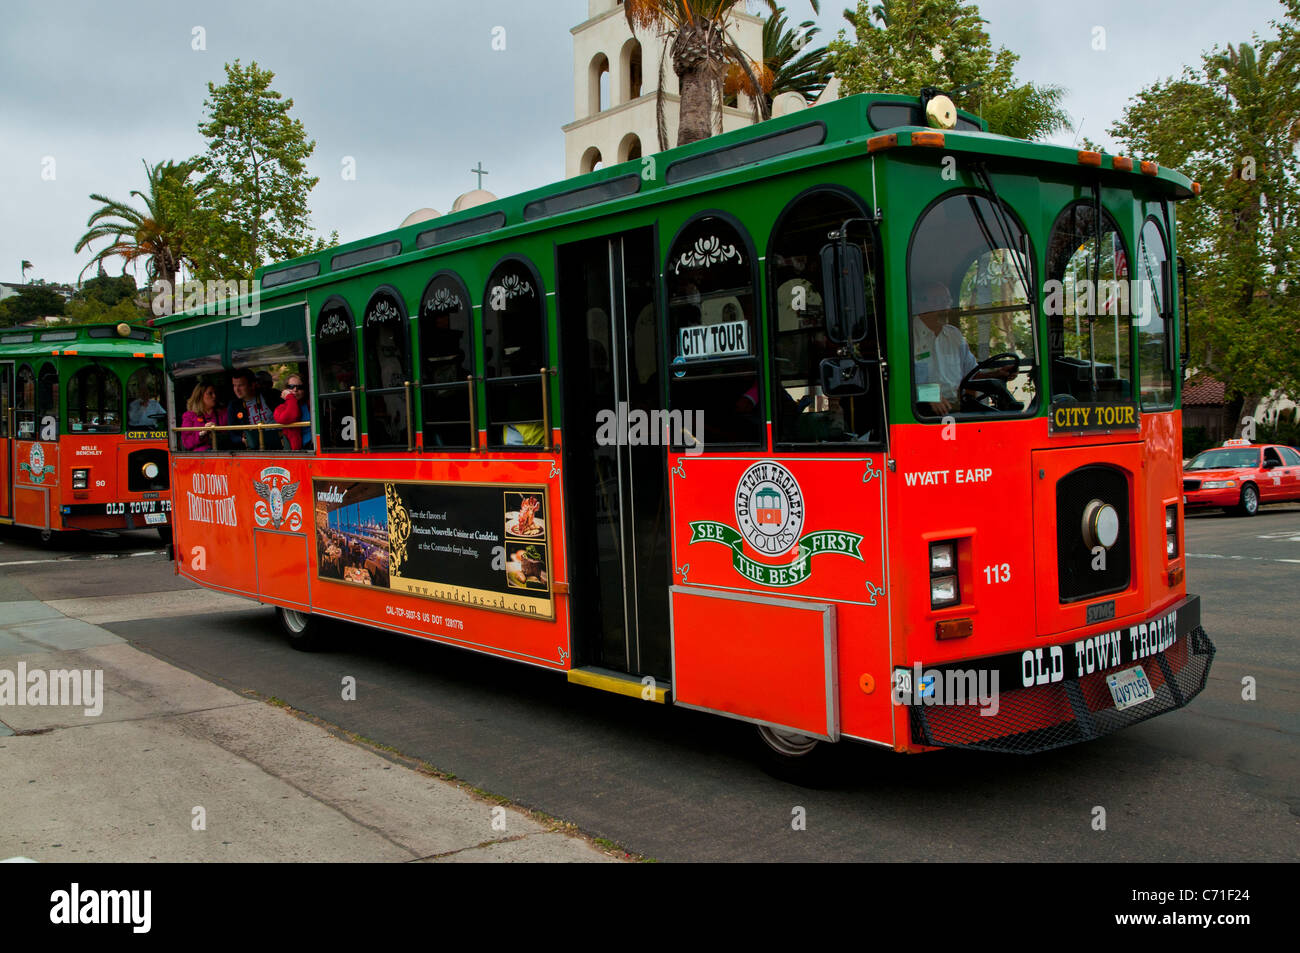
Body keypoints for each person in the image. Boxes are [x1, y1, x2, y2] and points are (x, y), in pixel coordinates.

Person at [911, 281, 1012, 415]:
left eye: (947, 302)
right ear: (920, 305)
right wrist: (929, 395)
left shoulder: (954, 336)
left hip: (957, 408)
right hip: (919, 414)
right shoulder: (907, 336)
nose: (946, 309)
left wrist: (996, 374)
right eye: (938, 302)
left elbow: (971, 374)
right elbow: (899, 383)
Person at [226, 369, 276, 449]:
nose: (237, 390)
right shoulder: (234, 406)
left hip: (278, 444)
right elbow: (232, 435)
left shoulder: (271, 395)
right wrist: (242, 440)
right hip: (254, 449)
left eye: (241, 385)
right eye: (234, 385)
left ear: (252, 385)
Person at [180, 383, 220, 451]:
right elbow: (187, 443)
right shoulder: (189, 416)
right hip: (200, 456)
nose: (214, 396)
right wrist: (202, 433)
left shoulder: (222, 413)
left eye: (215, 393)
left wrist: (217, 429)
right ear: (200, 396)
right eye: (210, 393)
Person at [280, 373, 312, 450]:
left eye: (299, 387)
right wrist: (290, 398)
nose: (295, 390)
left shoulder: (311, 404)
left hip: (312, 445)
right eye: (291, 387)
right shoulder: (281, 408)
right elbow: (289, 417)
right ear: (285, 390)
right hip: (295, 450)